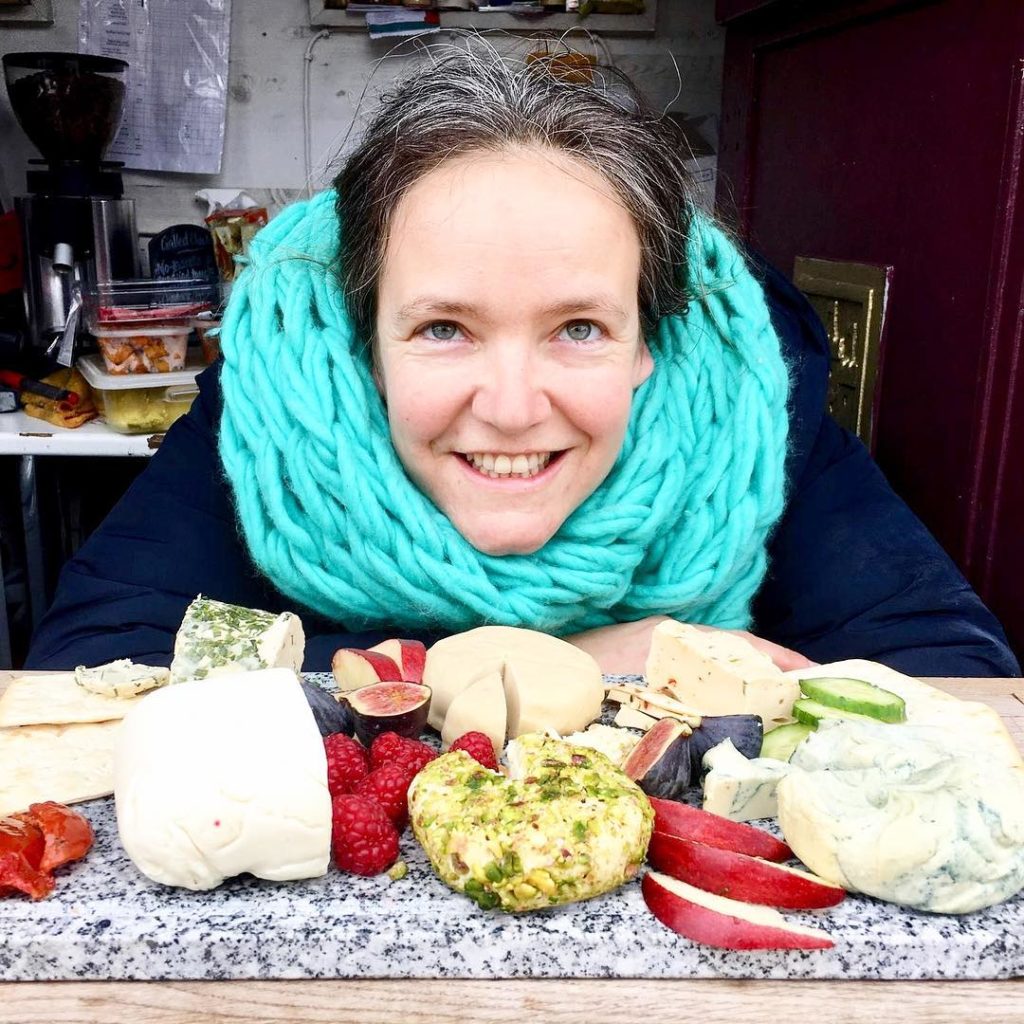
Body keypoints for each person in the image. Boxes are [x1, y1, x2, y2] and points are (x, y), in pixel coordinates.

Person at [25, 47, 1019, 678]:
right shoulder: (281, 416)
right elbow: (90, 667)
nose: (509, 408)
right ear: (365, 344)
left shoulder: (748, 410)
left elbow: (956, 674)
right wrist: (570, 664)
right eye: (444, 328)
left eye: (579, 328)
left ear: (650, 343)